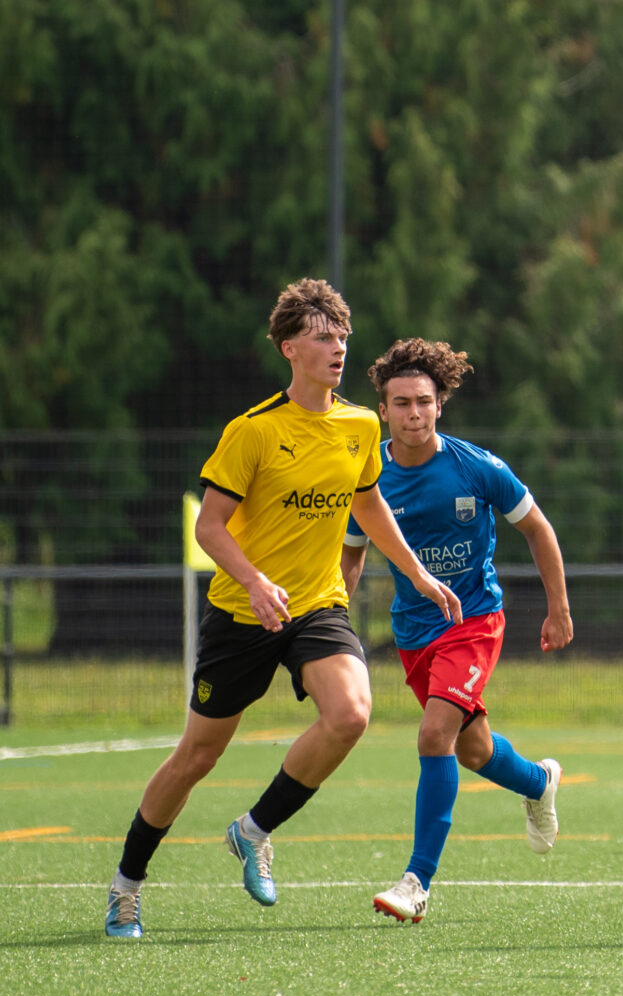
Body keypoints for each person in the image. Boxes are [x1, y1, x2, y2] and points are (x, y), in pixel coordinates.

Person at [105, 279, 463, 939]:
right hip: (243, 614)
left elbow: (368, 505)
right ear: (289, 348)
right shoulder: (253, 431)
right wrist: (253, 582)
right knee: (197, 756)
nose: (339, 348)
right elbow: (209, 527)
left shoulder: (360, 425)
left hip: (317, 606)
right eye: (324, 337)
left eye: (343, 337)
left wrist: (415, 572)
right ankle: (126, 885)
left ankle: (253, 830)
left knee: (351, 714)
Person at [341, 338, 573, 924]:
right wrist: (330, 618)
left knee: (433, 734)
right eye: (401, 403)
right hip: (414, 632)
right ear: (383, 411)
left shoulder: (478, 467)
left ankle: (416, 882)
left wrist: (559, 609)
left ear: (440, 404)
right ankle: (538, 781)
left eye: (423, 401)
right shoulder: (368, 478)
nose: (413, 413)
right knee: (473, 750)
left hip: (474, 622)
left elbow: (539, 528)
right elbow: (351, 556)